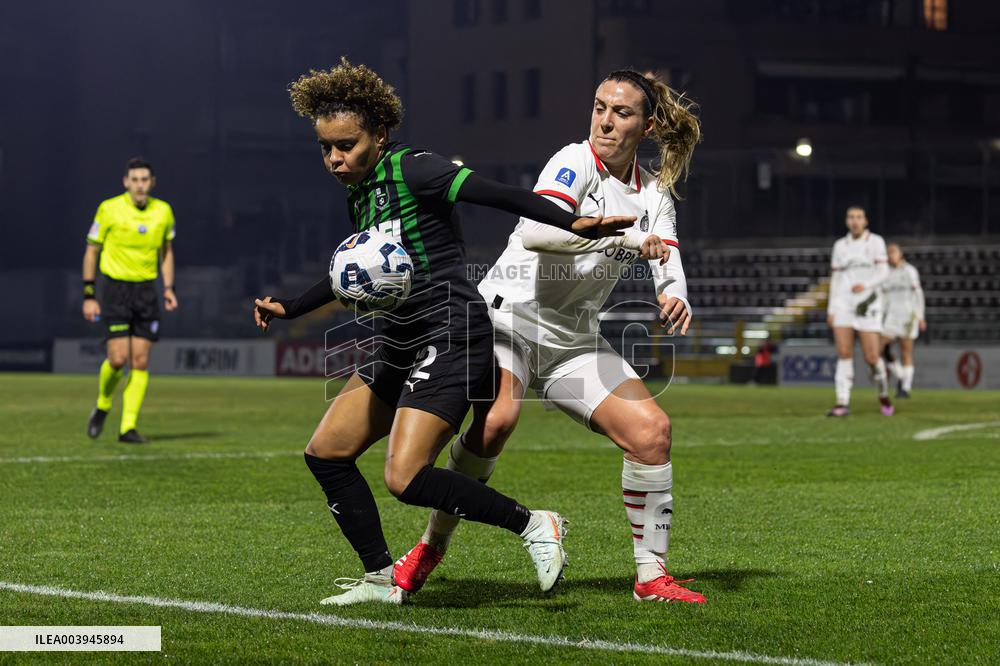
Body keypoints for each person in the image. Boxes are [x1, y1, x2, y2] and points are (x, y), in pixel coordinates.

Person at [252, 58, 635, 606]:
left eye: (347, 144)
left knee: (405, 477)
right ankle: (381, 578)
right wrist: (291, 306)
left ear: (379, 135)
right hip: (399, 335)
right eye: (326, 148)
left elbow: (499, 193)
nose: (335, 158)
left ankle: (534, 524)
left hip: (452, 331)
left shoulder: (414, 168)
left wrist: (567, 221)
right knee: (326, 453)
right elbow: (355, 272)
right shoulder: (361, 191)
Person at [393, 69, 707, 604]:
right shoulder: (573, 159)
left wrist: (674, 291)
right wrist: (630, 239)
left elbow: (667, 252)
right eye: (599, 106)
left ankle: (652, 577)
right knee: (497, 423)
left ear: (647, 125)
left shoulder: (654, 192)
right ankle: (429, 548)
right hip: (505, 318)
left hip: (573, 341)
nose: (605, 121)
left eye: (622, 112)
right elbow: (537, 231)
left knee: (652, 432)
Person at [83, 158, 178, 443]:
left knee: (139, 361)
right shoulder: (108, 209)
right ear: (126, 182)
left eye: (144, 179)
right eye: (134, 179)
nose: (140, 185)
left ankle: (128, 427)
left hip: (147, 292)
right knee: (118, 359)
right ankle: (102, 404)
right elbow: (91, 252)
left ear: (152, 183)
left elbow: (167, 252)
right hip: (115, 291)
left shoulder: (163, 212)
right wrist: (89, 294)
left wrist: (169, 288)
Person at [825, 206, 892, 417]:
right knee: (844, 353)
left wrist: (866, 284)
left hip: (868, 304)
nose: (855, 221)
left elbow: (884, 271)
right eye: (851, 217)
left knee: (872, 357)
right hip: (844, 304)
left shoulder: (875, 242)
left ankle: (883, 393)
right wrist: (832, 307)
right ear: (846, 221)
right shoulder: (840, 246)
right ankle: (842, 402)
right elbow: (835, 279)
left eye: (859, 217)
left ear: (865, 221)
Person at [880, 243, 925, 398]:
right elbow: (883, 297)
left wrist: (920, 316)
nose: (890, 254)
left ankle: (905, 388)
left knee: (906, 351)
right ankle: (900, 375)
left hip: (908, 315)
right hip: (892, 316)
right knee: (880, 348)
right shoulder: (886, 272)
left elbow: (918, 294)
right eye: (888, 252)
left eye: (893, 252)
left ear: (900, 254)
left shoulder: (910, 271)